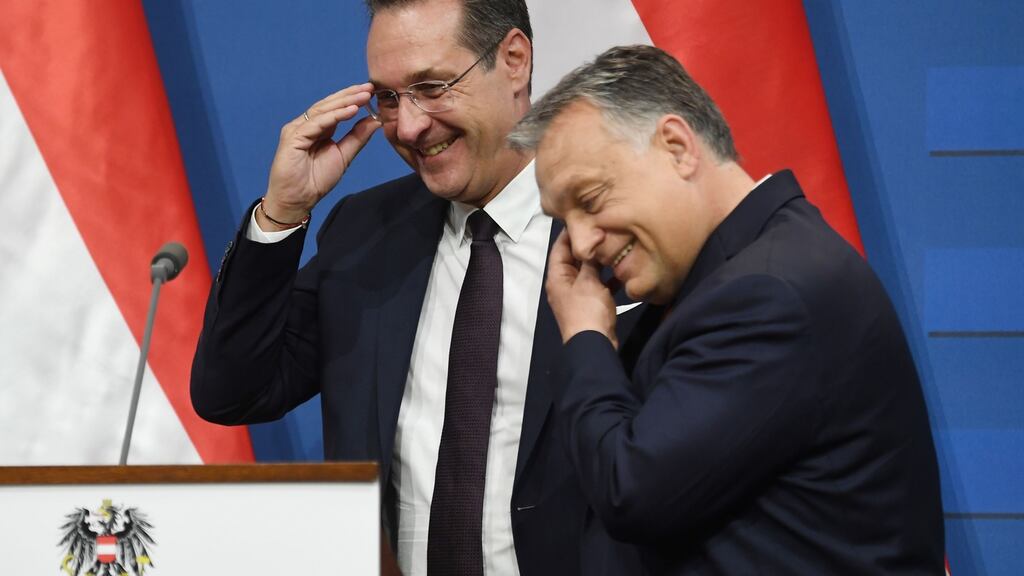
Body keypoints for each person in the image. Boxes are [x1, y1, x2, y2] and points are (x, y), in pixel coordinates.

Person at [190, 1, 642, 575]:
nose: (407, 127)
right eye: (387, 98)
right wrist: (281, 213)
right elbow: (232, 393)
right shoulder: (365, 233)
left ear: (514, 60)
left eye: (432, 87)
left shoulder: (622, 231)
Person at [508, 44, 945, 574]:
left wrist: (584, 337)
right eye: (563, 220)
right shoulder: (718, 283)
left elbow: (631, 490)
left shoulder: (768, 294)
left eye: (591, 199)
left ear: (677, 148)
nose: (579, 244)